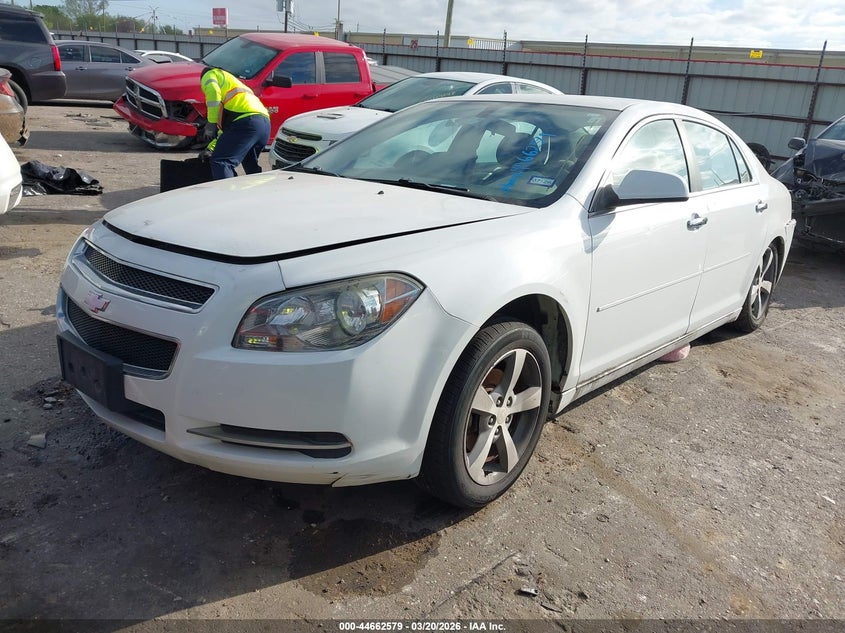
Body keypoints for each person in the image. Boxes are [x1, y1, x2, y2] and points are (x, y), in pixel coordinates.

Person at [199, 66, 271, 180]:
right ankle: (256, 194)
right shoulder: (235, 87)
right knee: (250, 165)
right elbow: (227, 134)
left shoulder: (210, 74)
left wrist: (211, 123)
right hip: (264, 124)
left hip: (246, 122)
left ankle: (227, 196)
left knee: (221, 161)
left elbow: (212, 91)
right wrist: (210, 149)